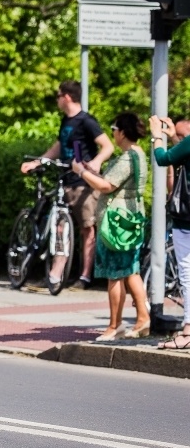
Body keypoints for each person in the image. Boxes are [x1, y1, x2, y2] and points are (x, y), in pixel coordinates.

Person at [21, 80, 114, 291]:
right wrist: (39, 161)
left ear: (67, 97)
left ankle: (84, 277)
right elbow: (58, 146)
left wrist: (96, 162)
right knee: (60, 227)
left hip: (84, 183)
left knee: (87, 230)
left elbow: (107, 145)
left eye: (58, 95)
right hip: (66, 180)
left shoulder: (86, 121)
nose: (57, 99)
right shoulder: (66, 120)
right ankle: (56, 274)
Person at [72, 113, 149, 341]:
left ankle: (115, 326)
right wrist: (91, 171)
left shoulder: (127, 157)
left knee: (115, 274)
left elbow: (107, 186)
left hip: (117, 224)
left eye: (114, 128)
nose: (113, 132)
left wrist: (82, 172)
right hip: (129, 221)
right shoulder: (138, 154)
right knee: (130, 271)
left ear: (123, 132)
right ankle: (143, 319)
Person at [149, 114, 190, 349]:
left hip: (187, 219)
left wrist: (157, 137)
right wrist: (175, 136)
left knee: (187, 273)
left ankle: (187, 333)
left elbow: (164, 159)